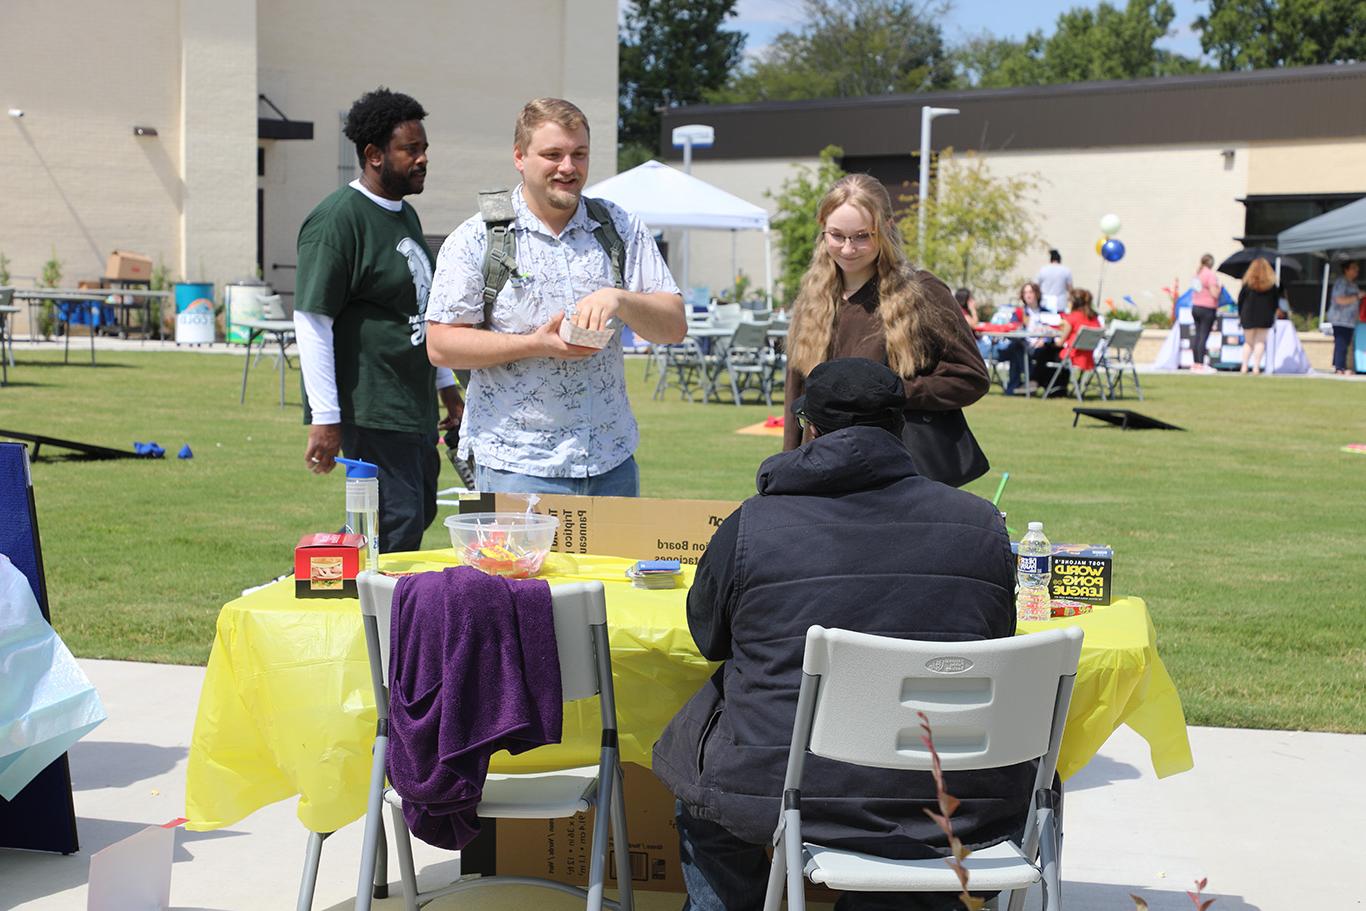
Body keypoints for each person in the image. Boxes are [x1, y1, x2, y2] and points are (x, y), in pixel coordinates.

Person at [653, 357, 1023, 911]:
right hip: (951, 801)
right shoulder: (982, 525)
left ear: (808, 428)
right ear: (900, 427)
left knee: (705, 801)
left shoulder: (753, 524)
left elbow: (710, 640)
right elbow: (993, 645)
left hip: (779, 793)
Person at [425, 98, 685, 495]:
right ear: (519, 156)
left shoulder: (620, 227)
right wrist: (536, 344)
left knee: (615, 562)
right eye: (553, 154)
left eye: (579, 154)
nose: (568, 167)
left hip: (609, 463)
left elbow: (674, 327)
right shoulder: (479, 236)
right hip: (516, 465)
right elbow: (441, 344)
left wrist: (622, 300)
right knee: (518, 563)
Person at [294, 87, 464, 553]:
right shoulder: (337, 220)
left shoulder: (404, 215)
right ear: (373, 155)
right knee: (393, 521)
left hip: (413, 403)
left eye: (425, 148)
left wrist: (446, 385)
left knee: (418, 512)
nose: (423, 158)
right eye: (411, 149)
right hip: (370, 404)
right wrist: (326, 418)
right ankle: (367, 618)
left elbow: (423, 308)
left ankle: (353, 594)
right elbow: (312, 321)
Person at [782, 174, 989, 481]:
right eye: (837, 235)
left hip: (901, 473)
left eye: (863, 236)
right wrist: (787, 469)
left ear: (886, 228)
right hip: (827, 471)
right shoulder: (811, 300)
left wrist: (895, 392)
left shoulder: (924, 292)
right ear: (823, 228)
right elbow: (796, 398)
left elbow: (970, 377)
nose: (849, 249)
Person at [1236, 257, 1280, 375]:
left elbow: (1240, 301)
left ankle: (1244, 367)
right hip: (1265, 315)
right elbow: (1275, 303)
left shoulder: (1247, 286)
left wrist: (1240, 315)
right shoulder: (1272, 287)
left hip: (1248, 314)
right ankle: (1256, 367)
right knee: (1260, 341)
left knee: (1248, 342)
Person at [1327, 260, 1362, 376]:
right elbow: (1339, 299)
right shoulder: (1341, 282)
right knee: (1341, 343)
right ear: (1346, 269)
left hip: (1350, 321)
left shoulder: (1353, 284)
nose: (1356, 271)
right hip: (1340, 319)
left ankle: (1343, 366)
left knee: (1347, 345)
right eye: (1353, 268)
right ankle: (1339, 368)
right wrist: (1357, 296)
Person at [1189, 253, 1222, 372]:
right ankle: (1201, 364)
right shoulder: (1210, 275)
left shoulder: (1197, 274)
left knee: (1197, 336)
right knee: (1203, 336)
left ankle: (1196, 363)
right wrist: (1220, 288)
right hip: (1207, 308)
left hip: (1196, 307)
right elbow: (1215, 294)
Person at [1035, 249, 1073, 313]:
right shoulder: (1066, 270)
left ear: (1050, 260)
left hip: (1045, 302)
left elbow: (1036, 286)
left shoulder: (1043, 270)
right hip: (1060, 303)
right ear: (1060, 260)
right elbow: (1070, 288)